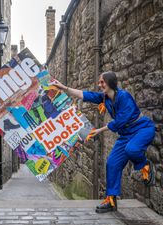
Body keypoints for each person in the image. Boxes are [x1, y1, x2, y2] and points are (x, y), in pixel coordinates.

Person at [53, 71, 155, 213]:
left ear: (111, 82)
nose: (99, 84)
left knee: (132, 150)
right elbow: (85, 95)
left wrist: (98, 130)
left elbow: (121, 121)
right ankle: (111, 200)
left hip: (142, 129)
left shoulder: (124, 96)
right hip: (125, 135)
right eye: (99, 82)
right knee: (112, 163)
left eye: (102, 82)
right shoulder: (105, 98)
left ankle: (145, 165)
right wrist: (65, 88)